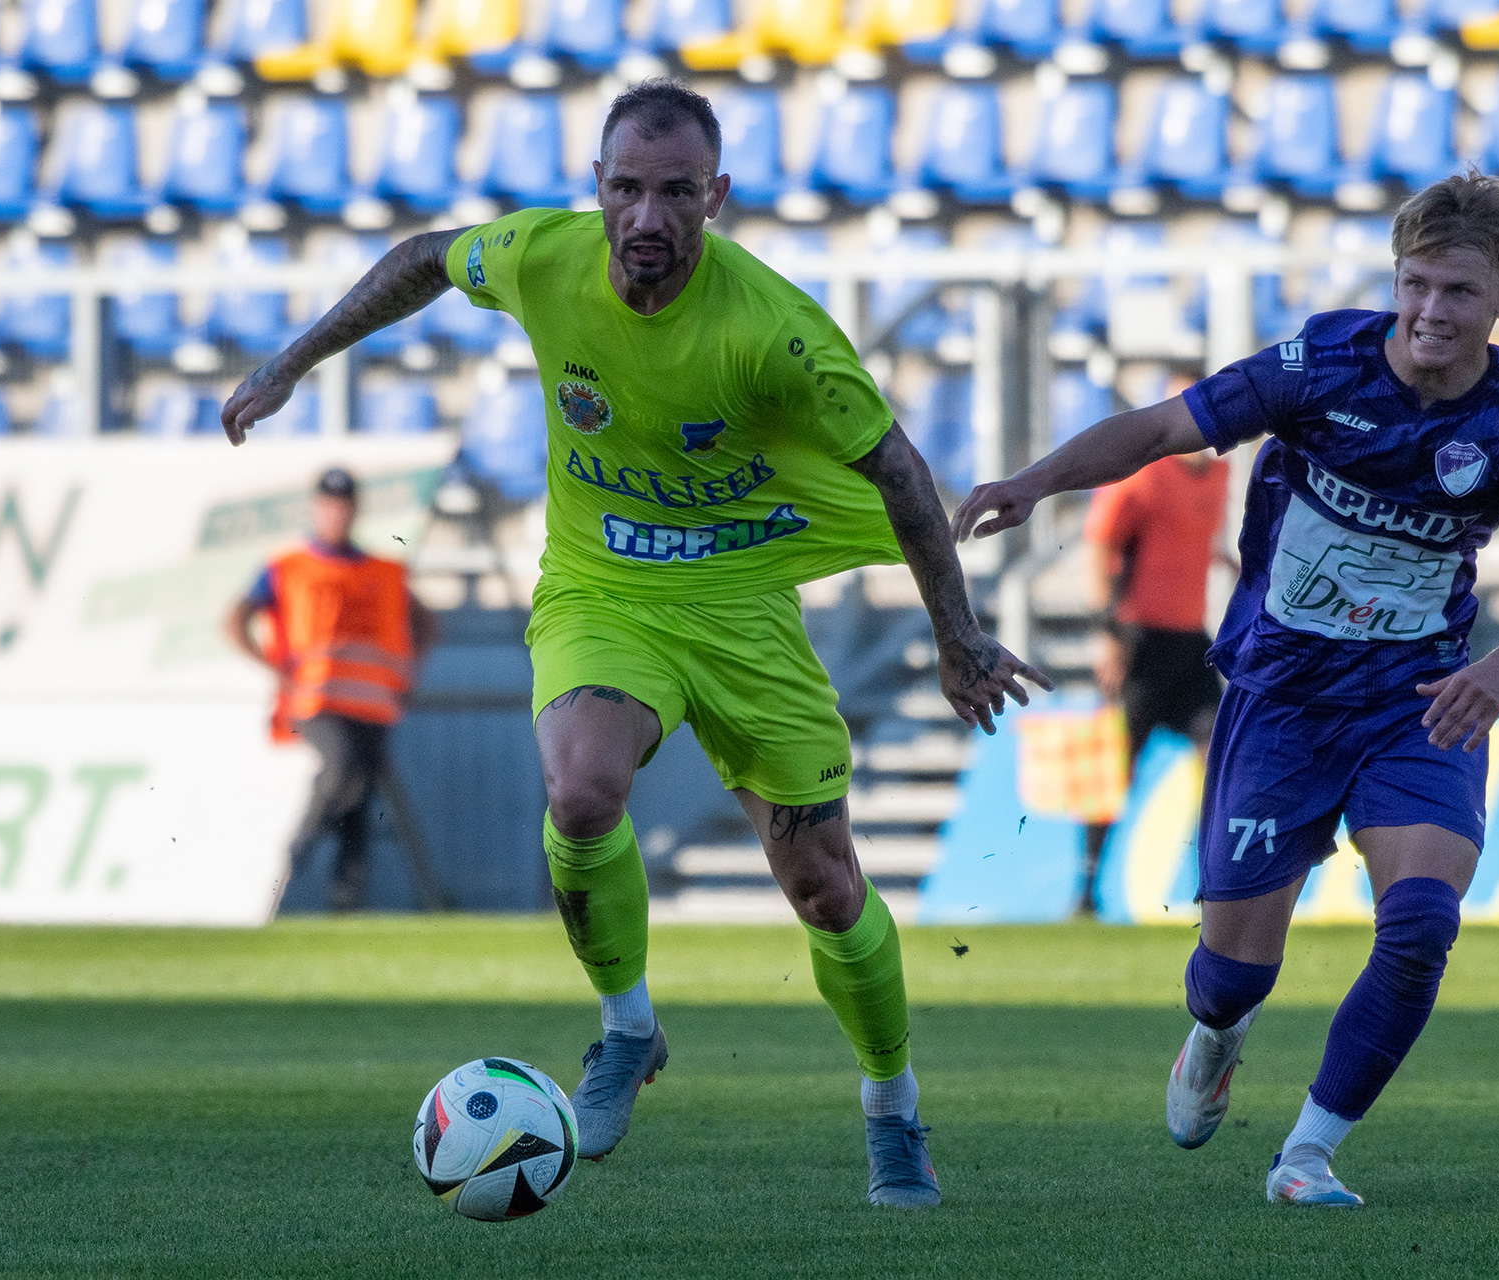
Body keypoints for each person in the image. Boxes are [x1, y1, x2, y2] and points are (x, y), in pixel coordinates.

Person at [218, 79, 1046, 1209]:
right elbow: (422, 256)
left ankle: (893, 1106)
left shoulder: (776, 329)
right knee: (581, 790)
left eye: (674, 192)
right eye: (625, 188)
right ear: (596, 191)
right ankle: (626, 1027)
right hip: (604, 591)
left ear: (717, 197)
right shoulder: (540, 257)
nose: (647, 216)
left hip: (745, 604)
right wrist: (293, 361)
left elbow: (901, 473)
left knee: (823, 885)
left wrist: (957, 641)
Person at [954, 171, 1499, 1207]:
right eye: (1417, 284)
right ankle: (1217, 1035)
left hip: (1421, 700)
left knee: (1423, 923)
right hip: (1282, 697)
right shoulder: (1321, 365)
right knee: (1233, 975)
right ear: (1397, 278)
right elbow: (1163, 428)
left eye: (1460, 293)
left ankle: (1306, 1152)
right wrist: (1033, 481)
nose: (1431, 311)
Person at [227, 467, 438, 910]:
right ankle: (299, 848)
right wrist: (274, 668)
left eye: (344, 504)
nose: (337, 513)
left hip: (374, 703)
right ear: (314, 507)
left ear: (355, 509)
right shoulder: (288, 567)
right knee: (340, 767)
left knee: (360, 798)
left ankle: (345, 903)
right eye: (328, 504)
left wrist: (410, 672)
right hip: (314, 699)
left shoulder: (383, 570)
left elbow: (426, 622)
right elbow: (236, 619)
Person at [1078, 437, 1230, 912]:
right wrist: (1107, 632)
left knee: (1222, 755)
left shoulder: (1220, 477)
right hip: (1141, 643)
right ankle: (1086, 888)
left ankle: (1216, 883)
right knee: (1116, 767)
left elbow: (1193, 541)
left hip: (1190, 641)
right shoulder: (1146, 476)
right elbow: (1101, 544)